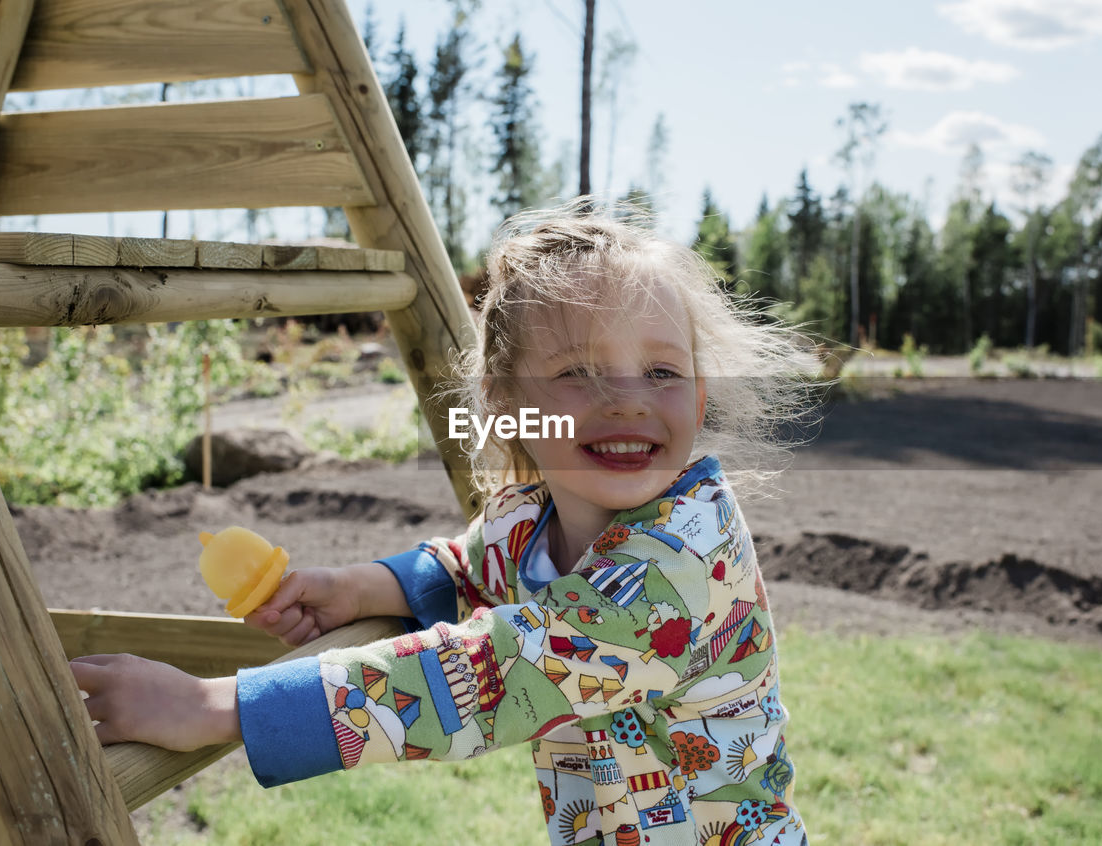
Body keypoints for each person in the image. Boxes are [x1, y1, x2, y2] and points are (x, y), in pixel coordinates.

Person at [72, 204, 813, 845]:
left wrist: (214, 706)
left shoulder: (680, 566)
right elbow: (467, 564)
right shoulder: (531, 518)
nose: (627, 400)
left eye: (660, 372)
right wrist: (356, 589)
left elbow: (492, 674)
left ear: (701, 390)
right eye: (579, 372)